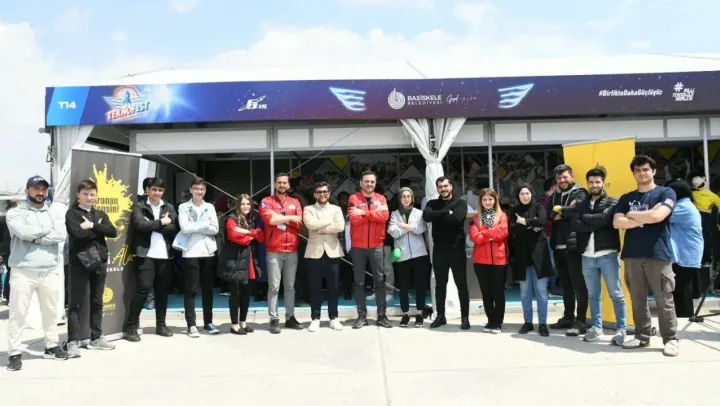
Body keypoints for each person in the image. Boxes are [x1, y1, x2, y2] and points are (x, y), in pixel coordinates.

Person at [613, 155, 679, 357]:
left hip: (658, 254)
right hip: (632, 255)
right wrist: (646, 216)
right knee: (637, 299)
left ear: (653, 171)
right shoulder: (626, 198)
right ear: (633, 173)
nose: (641, 173)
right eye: (637, 170)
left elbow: (658, 216)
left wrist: (631, 215)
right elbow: (617, 223)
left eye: (645, 169)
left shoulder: (666, 193)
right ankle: (642, 336)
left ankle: (670, 339)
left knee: (664, 299)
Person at [6, 176, 69, 371]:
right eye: (36, 189)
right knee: (18, 314)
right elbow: (23, 233)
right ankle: (14, 353)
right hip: (23, 270)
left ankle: (51, 345)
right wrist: (46, 232)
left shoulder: (53, 213)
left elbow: (61, 234)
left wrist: (36, 238)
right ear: (27, 191)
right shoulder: (14, 213)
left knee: (51, 311)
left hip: (49, 269)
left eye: (43, 189)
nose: (40, 193)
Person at [570, 168, 626, 345]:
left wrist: (586, 218)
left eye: (597, 182)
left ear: (603, 182)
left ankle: (621, 329)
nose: (594, 185)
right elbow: (576, 224)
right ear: (587, 183)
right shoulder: (581, 203)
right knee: (593, 295)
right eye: (591, 182)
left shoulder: (613, 201)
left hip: (607, 254)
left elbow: (604, 219)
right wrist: (595, 221)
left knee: (616, 293)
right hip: (587, 256)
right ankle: (596, 328)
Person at [65, 180, 119, 357]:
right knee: (76, 303)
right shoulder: (72, 214)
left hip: (100, 261)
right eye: (85, 194)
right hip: (80, 262)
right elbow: (77, 235)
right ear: (78, 195)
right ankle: (72, 341)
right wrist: (99, 229)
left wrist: (92, 225)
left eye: (92, 194)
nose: (89, 197)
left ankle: (96, 338)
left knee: (97, 301)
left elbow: (113, 232)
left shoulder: (100, 213)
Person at [123, 178, 178, 342]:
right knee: (143, 290)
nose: (157, 193)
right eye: (154, 189)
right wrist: (161, 222)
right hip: (145, 254)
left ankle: (161, 325)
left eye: (160, 190)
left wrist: (153, 225)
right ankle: (131, 327)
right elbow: (139, 225)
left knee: (162, 292)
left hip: (165, 255)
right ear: (148, 189)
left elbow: (173, 227)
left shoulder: (169, 207)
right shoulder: (139, 206)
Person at [423, 176, 470, 330]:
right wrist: (445, 212)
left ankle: (465, 317)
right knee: (440, 285)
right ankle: (440, 316)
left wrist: (438, 216)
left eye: (445, 186)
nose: (443, 189)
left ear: (451, 186)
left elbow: (456, 220)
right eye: (440, 187)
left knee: (461, 284)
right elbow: (427, 216)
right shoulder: (432, 203)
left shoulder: (461, 203)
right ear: (437, 188)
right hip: (439, 250)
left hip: (457, 250)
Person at [547, 164, 590, 336]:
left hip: (573, 246)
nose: (562, 180)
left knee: (578, 285)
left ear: (572, 176)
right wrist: (563, 212)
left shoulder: (581, 193)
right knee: (565, 285)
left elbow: (576, 211)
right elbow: (550, 215)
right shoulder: (555, 195)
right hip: (557, 246)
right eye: (559, 178)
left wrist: (561, 211)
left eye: (565, 177)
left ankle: (581, 321)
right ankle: (568, 317)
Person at [259, 173, 304, 334]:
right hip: (274, 250)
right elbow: (269, 220)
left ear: (289, 185)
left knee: (290, 286)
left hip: (292, 249)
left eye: (285, 183)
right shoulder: (267, 201)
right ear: (274, 184)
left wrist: (280, 217)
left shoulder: (295, 202)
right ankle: (274, 318)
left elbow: (300, 223)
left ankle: (290, 317)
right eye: (279, 182)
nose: (282, 185)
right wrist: (290, 217)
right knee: (274, 286)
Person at [348, 171, 392, 329]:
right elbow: (354, 219)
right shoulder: (354, 198)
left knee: (380, 281)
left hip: (377, 245)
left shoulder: (381, 199)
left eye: (372, 181)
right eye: (366, 181)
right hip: (358, 247)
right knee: (359, 282)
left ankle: (382, 316)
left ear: (375, 183)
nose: (369, 184)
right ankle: (361, 316)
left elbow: (384, 218)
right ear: (360, 182)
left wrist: (364, 213)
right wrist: (374, 213)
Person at [176, 177, 220, 337]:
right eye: (196, 188)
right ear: (191, 190)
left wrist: (196, 226)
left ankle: (208, 322)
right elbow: (185, 228)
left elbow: (215, 229)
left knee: (208, 289)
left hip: (208, 251)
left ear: (205, 191)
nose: (199, 191)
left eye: (202, 189)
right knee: (191, 290)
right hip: (190, 252)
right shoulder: (183, 207)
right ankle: (191, 324)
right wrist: (205, 225)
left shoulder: (210, 207)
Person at [509, 184, 554, 337]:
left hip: (539, 255)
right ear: (518, 196)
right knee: (524, 292)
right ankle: (528, 322)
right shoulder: (514, 210)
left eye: (527, 193)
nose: (525, 196)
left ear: (531, 193)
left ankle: (543, 324)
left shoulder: (539, 206)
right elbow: (512, 228)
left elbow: (543, 221)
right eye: (522, 194)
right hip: (522, 256)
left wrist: (525, 221)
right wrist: (531, 223)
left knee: (541, 291)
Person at [303, 182, 345, 332]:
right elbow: (310, 225)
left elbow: (340, 226)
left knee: (333, 286)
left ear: (329, 193)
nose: (322, 194)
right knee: (314, 286)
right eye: (319, 192)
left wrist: (320, 228)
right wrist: (329, 222)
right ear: (315, 194)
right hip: (314, 251)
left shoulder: (336, 209)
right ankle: (315, 318)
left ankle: (334, 317)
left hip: (333, 250)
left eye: (325, 192)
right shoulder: (308, 209)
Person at [387, 187, 429, 328]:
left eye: (408, 196)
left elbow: (420, 229)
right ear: (400, 199)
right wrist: (410, 227)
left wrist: (402, 226)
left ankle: (419, 313)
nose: (406, 199)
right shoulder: (394, 214)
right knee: (403, 286)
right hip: (402, 255)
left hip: (419, 254)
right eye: (403, 196)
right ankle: (405, 314)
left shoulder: (419, 213)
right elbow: (393, 232)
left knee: (420, 285)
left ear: (412, 198)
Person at [468, 188, 508, 334]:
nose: (487, 202)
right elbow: (474, 237)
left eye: (490, 199)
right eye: (484, 199)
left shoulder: (502, 216)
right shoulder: (475, 218)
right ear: (481, 202)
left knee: (498, 292)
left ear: (495, 200)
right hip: (480, 261)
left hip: (499, 259)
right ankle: (491, 320)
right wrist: (491, 235)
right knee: (486, 292)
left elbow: (503, 233)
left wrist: (484, 232)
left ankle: (498, 322)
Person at [224, 194, 265, 335]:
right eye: (242, 204)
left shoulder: (252, 219)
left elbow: (261, 236)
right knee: (235, 294)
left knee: (246, 294)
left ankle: (243, 322)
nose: (246, 206)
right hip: (236, 260)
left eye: (248, 204)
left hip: (250, 261)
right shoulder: (231, 219)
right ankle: (234, 325)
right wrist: (252, 235)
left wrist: (247, 232)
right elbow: (236, 237)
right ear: (237, 205)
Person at [666, 181, 703, 318]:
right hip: (686, 252)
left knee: (681, 286)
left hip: (685, 254)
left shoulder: (683, 207)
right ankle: (682, 314)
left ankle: (684, 314)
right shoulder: (684, 205)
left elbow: (661, 216)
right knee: (681, 285)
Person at [538, 178, 560, 296]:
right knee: (551, 263)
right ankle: (548, 288)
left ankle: (548, 288)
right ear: (553, 187)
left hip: (548, 235)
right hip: (548, 235)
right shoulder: (546, 201)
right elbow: (544, 220)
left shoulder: (544, 200)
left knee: (552, 263)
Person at [1, 200, 18, 303]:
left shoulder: (2, 219)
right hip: (10, 248)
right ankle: (8, 295)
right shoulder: (11, 219)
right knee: (12, 271)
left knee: (10, 271)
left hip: (5, 249)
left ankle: (7, 295)